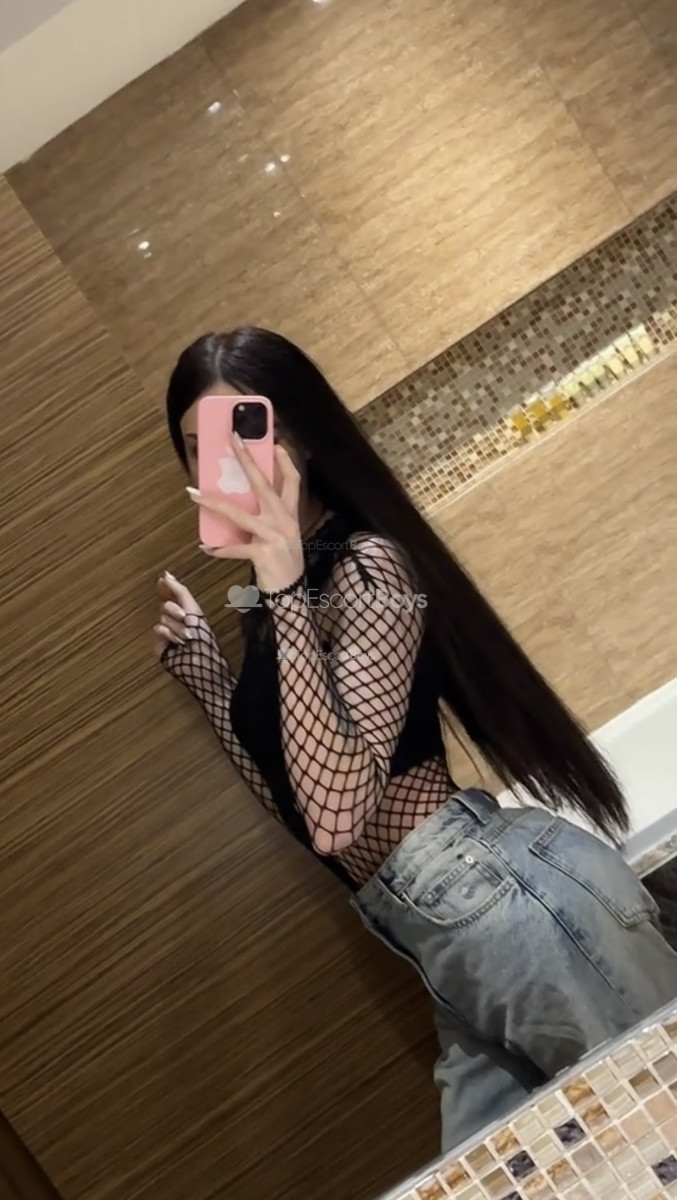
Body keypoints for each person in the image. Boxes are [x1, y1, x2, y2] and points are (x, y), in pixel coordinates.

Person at [155, 326, 677, 1153]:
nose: (226, 466)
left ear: (301, 438)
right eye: (200, 447)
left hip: (501, 904)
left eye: (247, 434)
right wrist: (211, 680)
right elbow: (301, 808)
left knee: (658, 1137)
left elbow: (338, 814)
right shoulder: (279, 593)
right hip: (433, 932)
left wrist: (280, 582)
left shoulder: (366, 570)